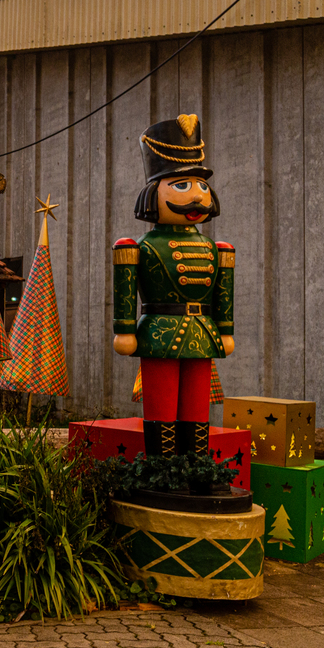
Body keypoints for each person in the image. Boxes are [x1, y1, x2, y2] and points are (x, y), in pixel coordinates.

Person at [111, 114, 235, 457]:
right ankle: (163, 464)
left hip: (202, 331)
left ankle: (194, 462)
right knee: (162, 404)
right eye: (182, 186)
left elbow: (223, 291)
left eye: (200, 186)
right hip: (160, 331)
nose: (196, 195)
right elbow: (126, 289)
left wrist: (225, 328)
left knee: (197, 406)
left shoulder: (218, 249)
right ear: (153, 192)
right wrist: (124, 328)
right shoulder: (138, 247)